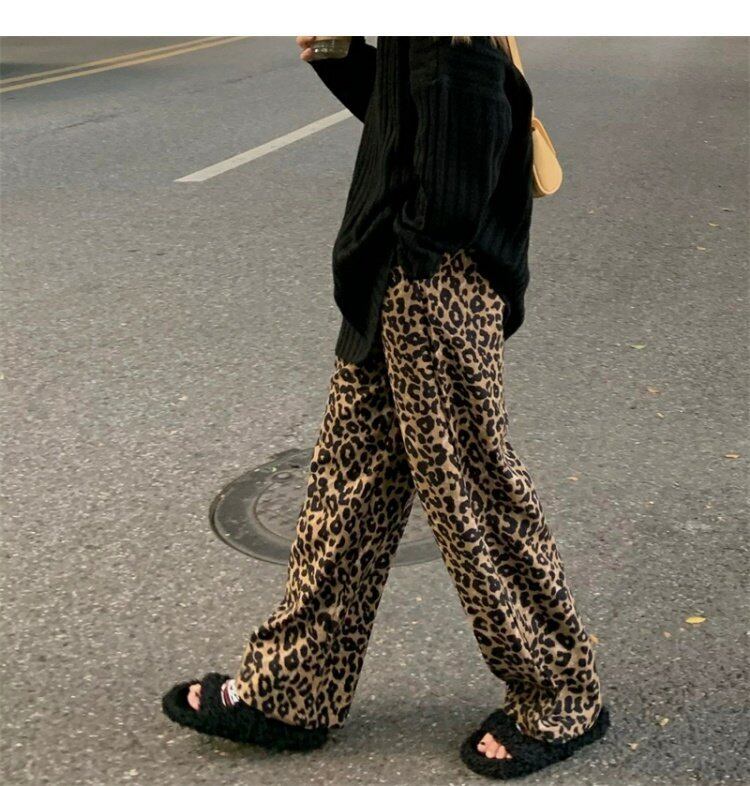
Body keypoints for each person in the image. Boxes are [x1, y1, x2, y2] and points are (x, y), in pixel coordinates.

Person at [162, 35, 610, 779]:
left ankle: (562, 692)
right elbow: (407, 112)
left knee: (474, 497)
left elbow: (463, 99)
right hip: (395, 276)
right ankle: (293, 688)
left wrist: (419, 247)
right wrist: (342, 58)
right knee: (350, 489)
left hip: (429, 282)